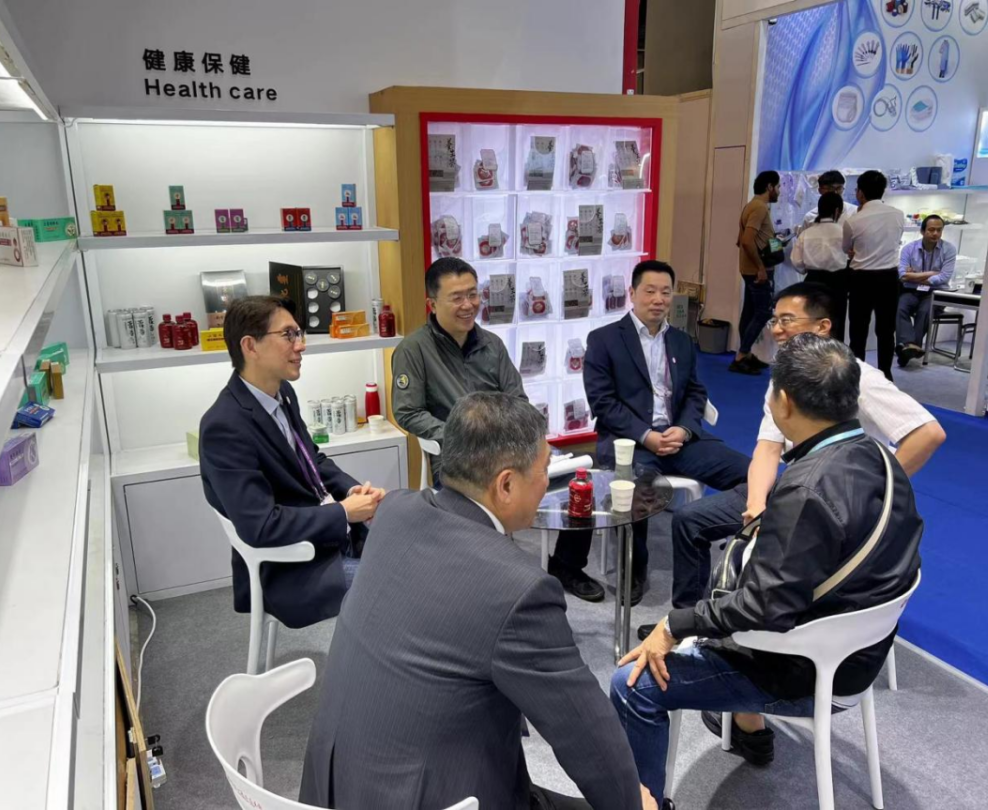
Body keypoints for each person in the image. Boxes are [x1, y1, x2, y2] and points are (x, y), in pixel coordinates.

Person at [300, 393, 657, 810]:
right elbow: (583, 730)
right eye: (545, 469)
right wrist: (633, 803)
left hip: (331, 788)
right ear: (505, 485)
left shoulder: (394, 511)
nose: (547, 482)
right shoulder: (520, 589)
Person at [611, 334, 924, 807]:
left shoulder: (807, 489)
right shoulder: (881, 457)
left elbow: (765, 608)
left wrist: (676, 624)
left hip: (805, 668)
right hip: (859, 655)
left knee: (632, 684)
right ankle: (749, 729)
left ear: (785, 401)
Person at [645, 282, 943, 628]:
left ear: (823, 326)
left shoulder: (855, 375)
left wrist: (872, 489)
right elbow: (768, 447)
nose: (777, 330)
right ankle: (690, 623)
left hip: (831, 500)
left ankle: (724, 623)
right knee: (690, 521)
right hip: (794, 488)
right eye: (774, 321)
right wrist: (757, 506)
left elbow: (928, 433)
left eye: (787, 320)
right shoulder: (783, 377)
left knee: (778, 573)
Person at [568, 260, 750, 606]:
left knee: (754, 474)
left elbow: (695, 392)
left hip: (679, 439)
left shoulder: (681, 340)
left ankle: (733, 552)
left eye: (665, 292)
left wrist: (684, 429)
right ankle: (634, 569)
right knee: (634, 487)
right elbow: (603, 403)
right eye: (649, 291)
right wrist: (646, 436)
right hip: (631, 441)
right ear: (632, 293)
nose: (658, 299)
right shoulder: (604, 340)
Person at [199, 296, 385, 630]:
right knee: (396, 585)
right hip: (290, 569)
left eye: (299, 333)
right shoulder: (223, 427)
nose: (301, 345)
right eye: (288, 335)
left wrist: (352, 491)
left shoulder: (282, 393)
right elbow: (261, 526)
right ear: (250, 346)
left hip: (327, 538)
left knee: (415, 555)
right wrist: (343, 513)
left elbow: (312, 459)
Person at [391, 256, 526, 480]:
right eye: (457, 298)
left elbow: (518, 400)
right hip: (455, 461)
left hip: (504, 453)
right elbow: (408, 412)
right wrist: (461, 437)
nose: (468, 305)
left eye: (472, 294)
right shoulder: (413, 350)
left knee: (551, 480)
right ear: (433, 305)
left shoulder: (492, 344)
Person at [843, 170, 907, 380]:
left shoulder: (853, 221)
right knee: (886, 330)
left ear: (860, 193)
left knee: (858, 330)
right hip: (888, 278)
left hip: (861, 278)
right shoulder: (898, 214)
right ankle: (886, 373)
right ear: (883, 191)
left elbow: (846, 248)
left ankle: (858, 374)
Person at [730, 170, 781, 376]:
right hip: (758, 271)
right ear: (769, 187)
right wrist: (760, 267)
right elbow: (746, 241)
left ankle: (745, 354)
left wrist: (775, 243)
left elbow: (742, 240)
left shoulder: (751, 206)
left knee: (750, 312)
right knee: (763, 312)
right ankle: (741, 355)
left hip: (750, 268)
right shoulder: (759, 208)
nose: (779, 191)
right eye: (778, 186)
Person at [897, 215, 956, 367]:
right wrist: (931, 273)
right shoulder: (908, 249)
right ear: (922, 231)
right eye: (931, 230)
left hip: (935, 292)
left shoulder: (949, 249)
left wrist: (914, 276)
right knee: (900, 307)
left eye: (939, 230)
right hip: (911, 290)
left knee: (925, 311)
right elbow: (902, 275)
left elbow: (944, 277)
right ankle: (911, 346)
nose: (935, 233)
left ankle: (906, 347)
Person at [791, 191, 851, 341]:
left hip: (813, 280)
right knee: (836, 323)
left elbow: (796, 261)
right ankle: (835, 354)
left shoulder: (807, 233)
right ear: (837, 211)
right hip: (838, 282)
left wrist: (805, 269)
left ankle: (812, 353)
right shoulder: (843, 233)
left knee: (812, 322)